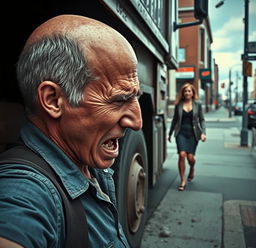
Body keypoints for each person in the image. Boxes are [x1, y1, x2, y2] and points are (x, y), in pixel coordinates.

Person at [0, 14, 142, 248]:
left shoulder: (89, 164)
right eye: (118, 101)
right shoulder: (26, 193)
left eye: (136, 97)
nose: (136, 123)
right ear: (54, 100)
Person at [168, 83, 206, 191]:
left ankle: (192, 167)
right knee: (182, 154)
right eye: (185, 91)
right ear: (183, 93)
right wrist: (170, 133)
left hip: (193, 134)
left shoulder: (197, 104)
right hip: (181, 133)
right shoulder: (179, 104)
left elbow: (202, 119)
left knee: (190, 158)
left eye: (189, 91)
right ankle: (182, 181)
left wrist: (203, 132)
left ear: (193, 93)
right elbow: (175, 120)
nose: (187, 93)